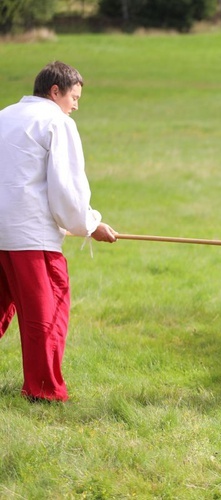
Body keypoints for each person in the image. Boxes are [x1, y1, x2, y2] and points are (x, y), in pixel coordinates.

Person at [0, 61, 118, 402]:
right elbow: (66, 188)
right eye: (74, 97)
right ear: (55, 91)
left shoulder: (4, 115)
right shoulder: (57, 122)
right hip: (31, 238)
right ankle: (44, 390)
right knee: (48, 313)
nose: (76, 105)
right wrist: (90, 225)